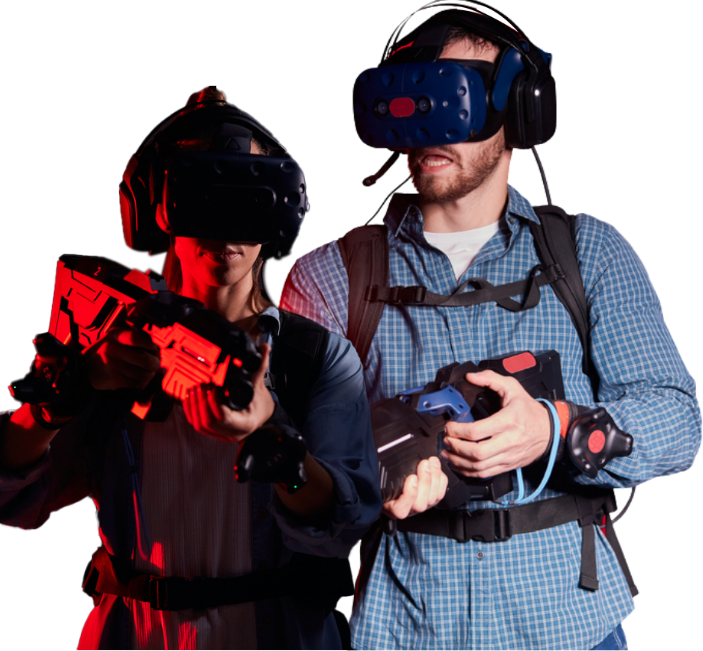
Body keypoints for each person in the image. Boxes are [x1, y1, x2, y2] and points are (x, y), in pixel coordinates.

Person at [278, 6, 702, 651]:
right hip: (404, 626)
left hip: (569, 624)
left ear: (520, 112)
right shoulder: (327, 278)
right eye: (412, 100)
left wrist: (556, 428)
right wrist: (371, 482)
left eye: (452, 99)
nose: (427, 124)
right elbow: (295, 482)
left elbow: (678, 420)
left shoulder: (589, 254)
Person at [0, 85, 382, 650]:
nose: (226, 226)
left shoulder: (316, 358)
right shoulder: (113, 340)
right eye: (202, 194)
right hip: (132, 633)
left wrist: (271, 437)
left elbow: (344, 529)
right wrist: (64, 397)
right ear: (154, 208)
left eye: (249, 197)